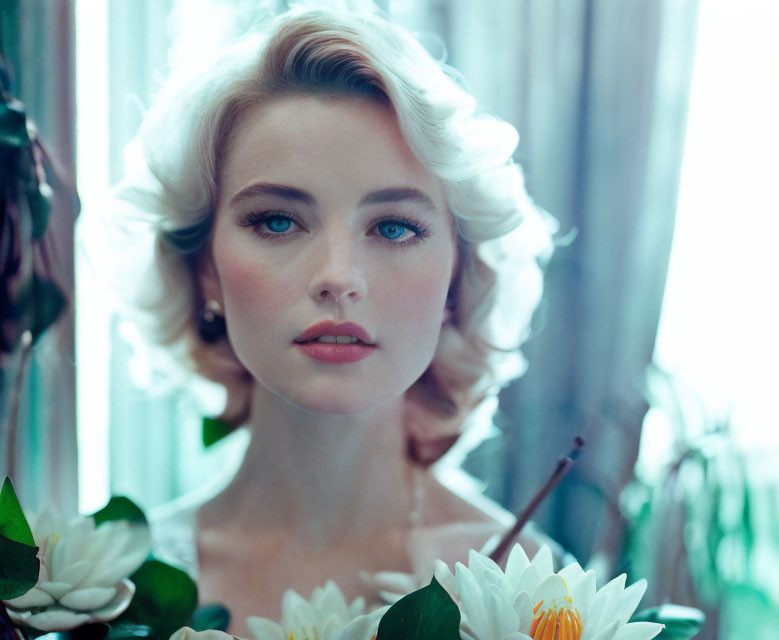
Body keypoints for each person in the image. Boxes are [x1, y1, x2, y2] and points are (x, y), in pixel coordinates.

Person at [95, 4, 560, 635]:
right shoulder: (107, 591)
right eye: (277, 221)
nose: (338, 276)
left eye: (394, 226)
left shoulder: (537, 594)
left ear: (457, 275)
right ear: (205, 270)